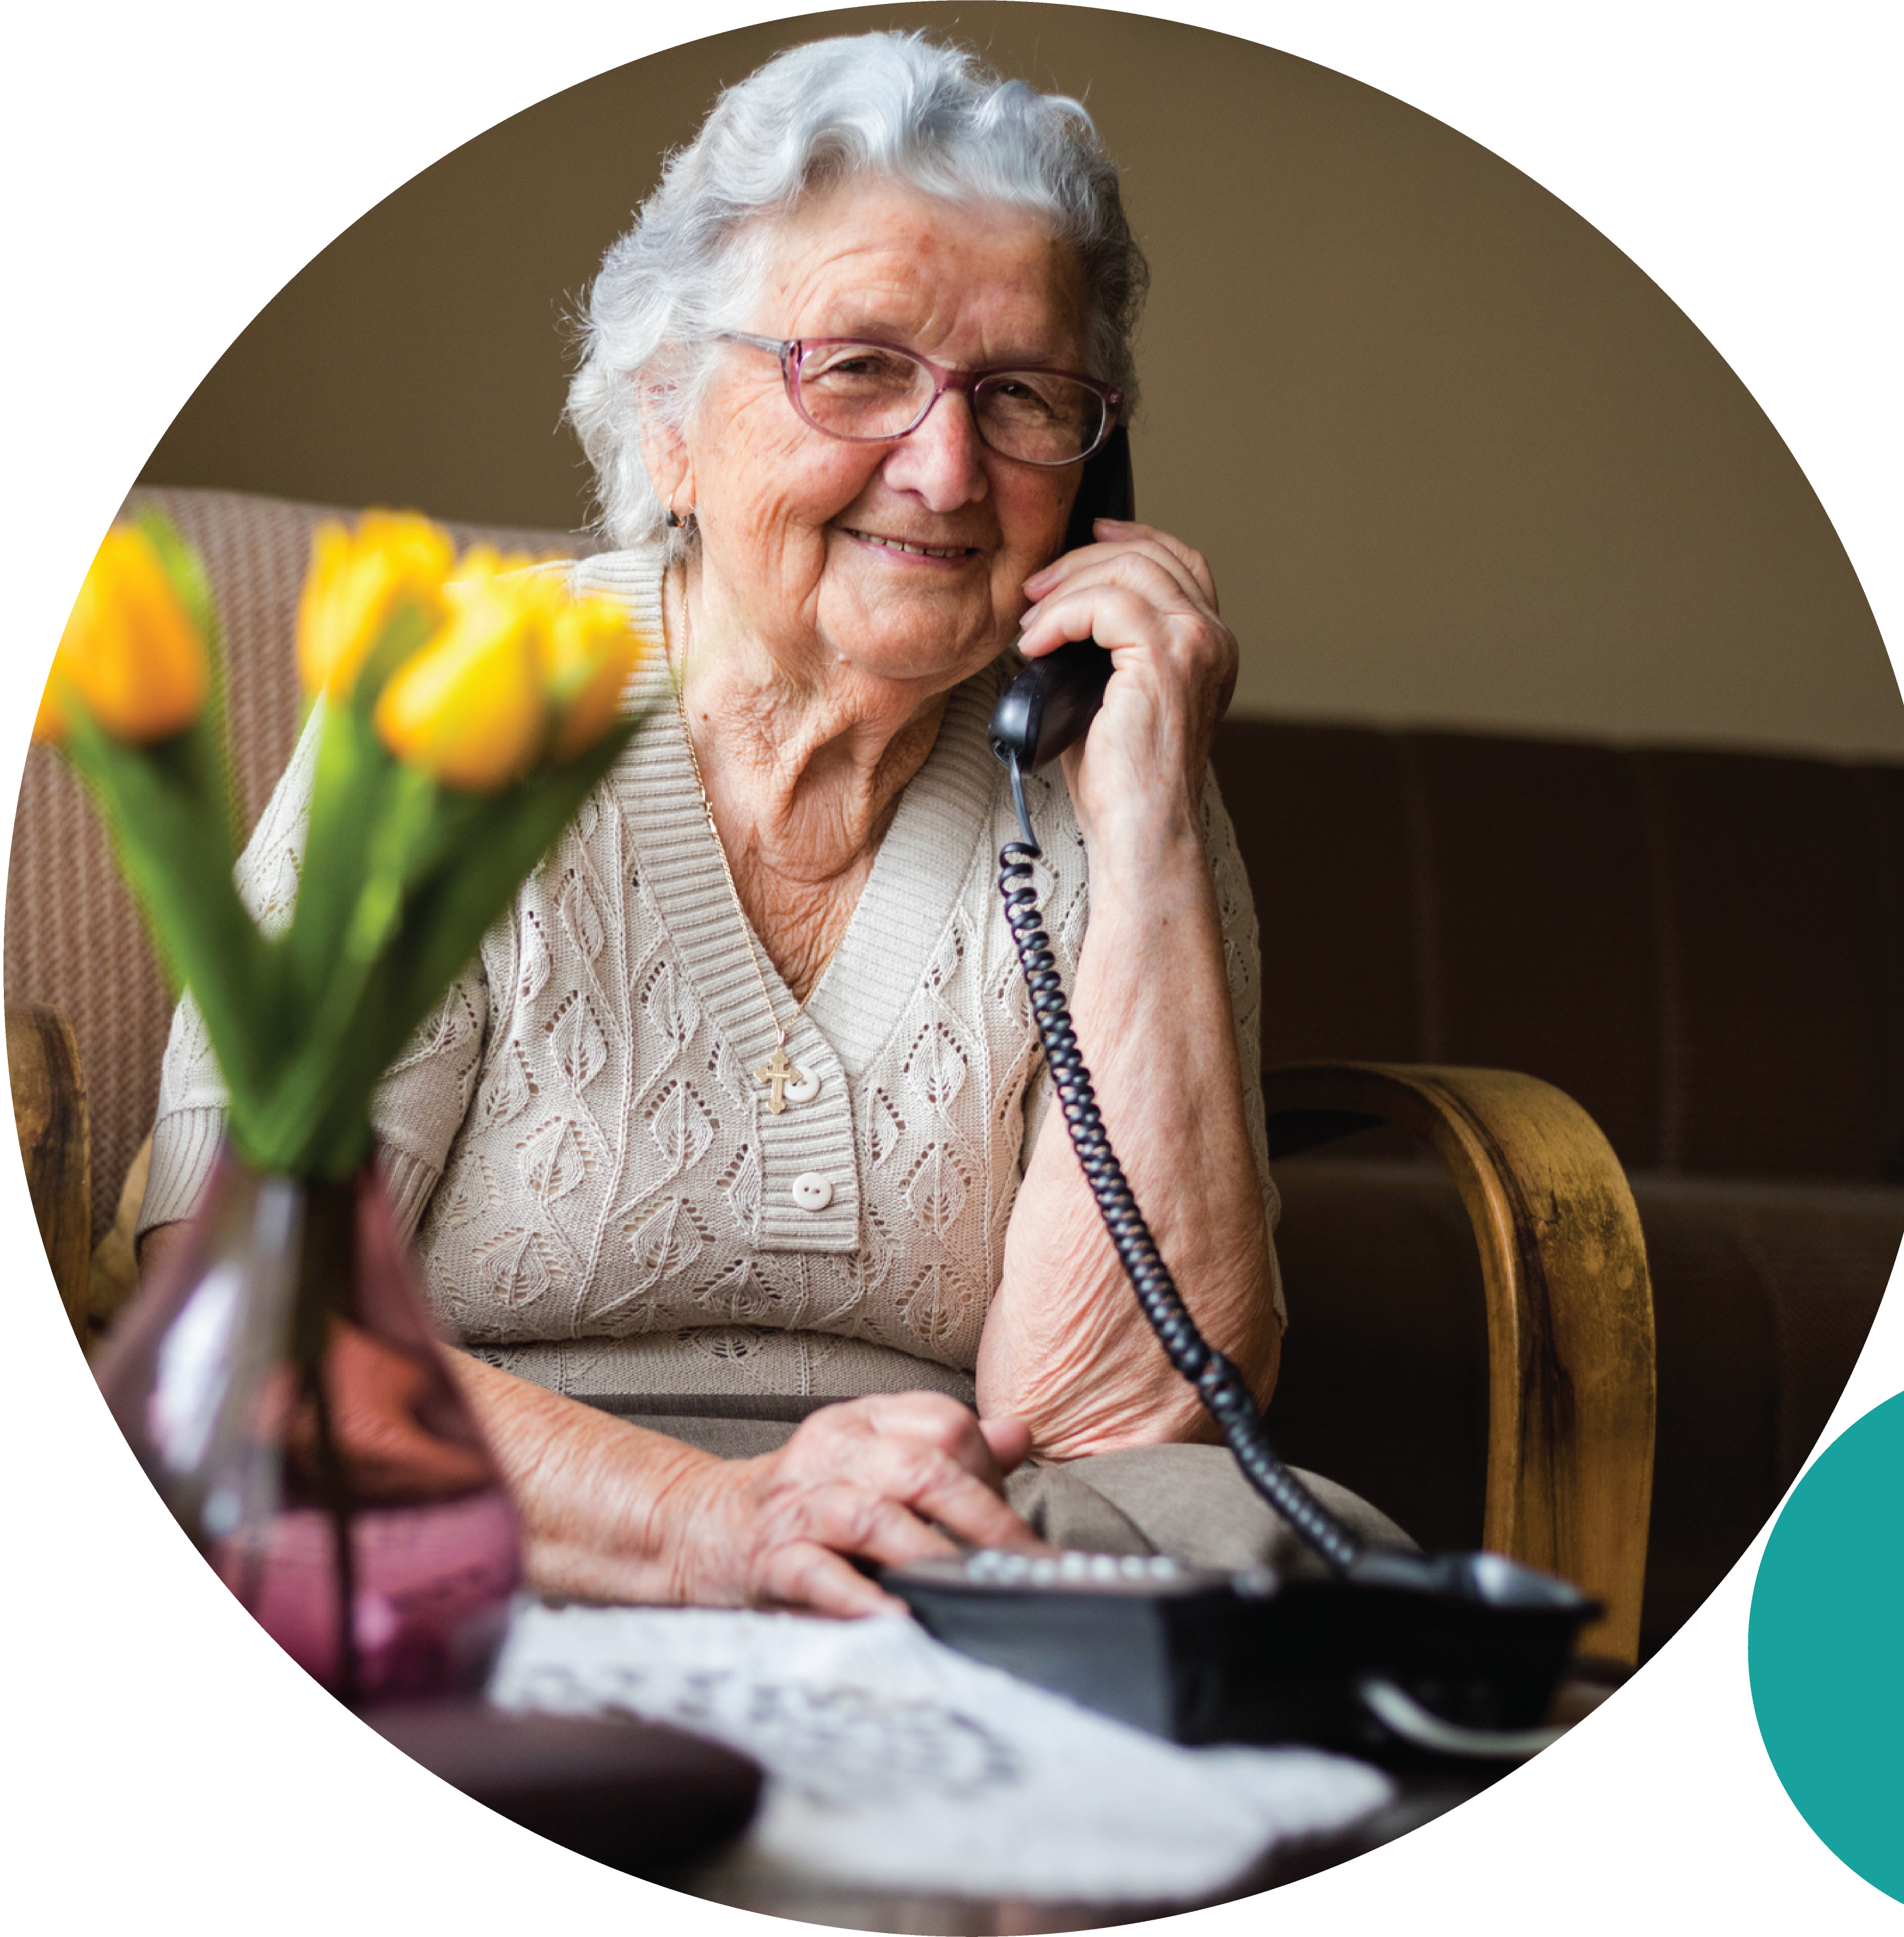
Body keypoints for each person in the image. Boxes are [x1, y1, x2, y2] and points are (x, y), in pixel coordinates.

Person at [137, 30, 1403, 1616]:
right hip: (507, 1512)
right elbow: (249, 1330)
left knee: (1293, 1566)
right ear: (667, 418)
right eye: (859, 367)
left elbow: (1127, 1425)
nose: (947, 471)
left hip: (949, 1544)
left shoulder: (1109, 756)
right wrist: (718, 1521)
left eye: (1024, 396)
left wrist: (1143, 835)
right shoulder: (460, 709)